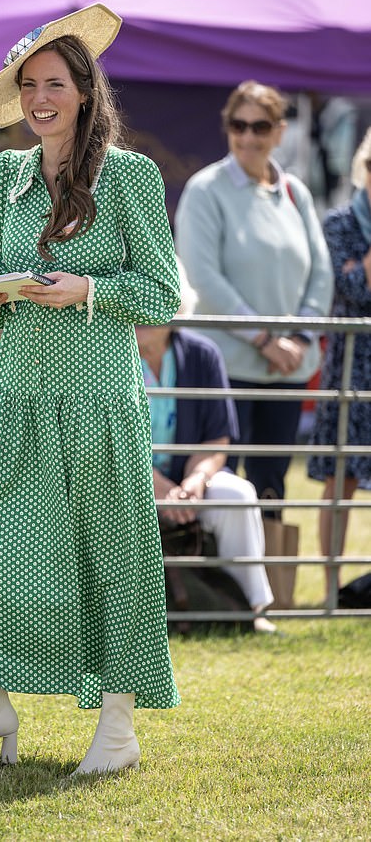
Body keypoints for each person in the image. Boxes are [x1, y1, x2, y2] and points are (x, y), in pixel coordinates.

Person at [0, 3, 181, 775]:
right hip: (12, 388)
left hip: (97, 393)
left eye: (53, 83)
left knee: (111, 557)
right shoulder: (8, 173)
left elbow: (161, 293)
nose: (39, 97)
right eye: (28, 84)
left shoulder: (129, 175)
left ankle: (119, 727)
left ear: (85, 90)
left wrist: (86, 290)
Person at [175, 80, 333, 516]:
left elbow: (321, 272)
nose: (247, 136)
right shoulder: (205, 190)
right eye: (237, 125)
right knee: (221, 491)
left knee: (271, 493)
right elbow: (203, 278)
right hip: (226, 369)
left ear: (279, 131)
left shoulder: (295, 193)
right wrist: (265, 339)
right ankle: (221, 585)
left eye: (259, 126)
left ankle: (267, 583)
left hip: (286, 369)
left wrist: (298, 338)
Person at [135, 260, 276, 634]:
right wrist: (155, 485)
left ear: (177, 305)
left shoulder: (203, 353)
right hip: (122, 480)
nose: (145, 314)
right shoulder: (103, 357)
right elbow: (96, 440)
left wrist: (195, 482)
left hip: (186, 480)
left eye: (158, 302)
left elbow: (217, 439)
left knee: (237, 495)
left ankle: (251, 610)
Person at [308, 127, 371, 597]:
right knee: (340, 481)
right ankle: (330, 589)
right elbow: (351, 289)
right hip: (350, 364)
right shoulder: (340, 221)